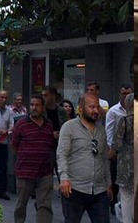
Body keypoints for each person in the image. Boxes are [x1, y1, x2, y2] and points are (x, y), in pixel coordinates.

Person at [57, 92, 112, 223]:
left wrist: (108, 183)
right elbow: (62, 154)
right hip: (75, 188)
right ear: (81, 108)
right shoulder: (69, 127)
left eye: (97, 107)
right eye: (92, 107)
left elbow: (104, 158)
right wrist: (64, 178)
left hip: (99, 190)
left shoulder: (101, 130)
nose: (96, 111)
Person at [11, 94, 56, 223]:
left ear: (43, 107)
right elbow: (14, 146)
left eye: (37, 105)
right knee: (21, 204)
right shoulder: (21, 124)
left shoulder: (49, 125)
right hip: (25, 171)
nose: (34, 107)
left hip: (44, 173)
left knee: (45, 205)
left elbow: (50, 146)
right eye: (32, 105)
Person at [105, 84, 133, 215]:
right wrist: (112, 149)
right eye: (124, 93)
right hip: (120, 155)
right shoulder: (114, 111)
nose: (126, 95)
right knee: (117, 180)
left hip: (127, 157)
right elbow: (110, 131)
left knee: (126, 191)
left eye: (128, 93)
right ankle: (113, 203)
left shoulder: (128, 119)